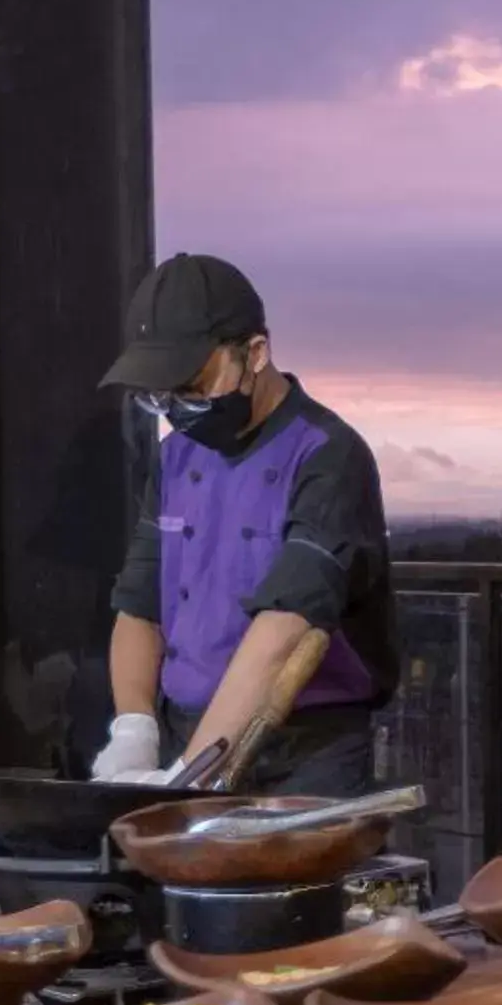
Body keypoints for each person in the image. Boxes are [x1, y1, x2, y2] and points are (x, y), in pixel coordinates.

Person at [93, 253, 399, 794]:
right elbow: (140, 605)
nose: (176, 410)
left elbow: (284, 631)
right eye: (160, 397)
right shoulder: (174, 458)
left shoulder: (328, 455)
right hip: (185, 733)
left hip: (303, 756)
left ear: (255, 353)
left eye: (192, 387)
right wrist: (134, 728)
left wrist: (191, 776)